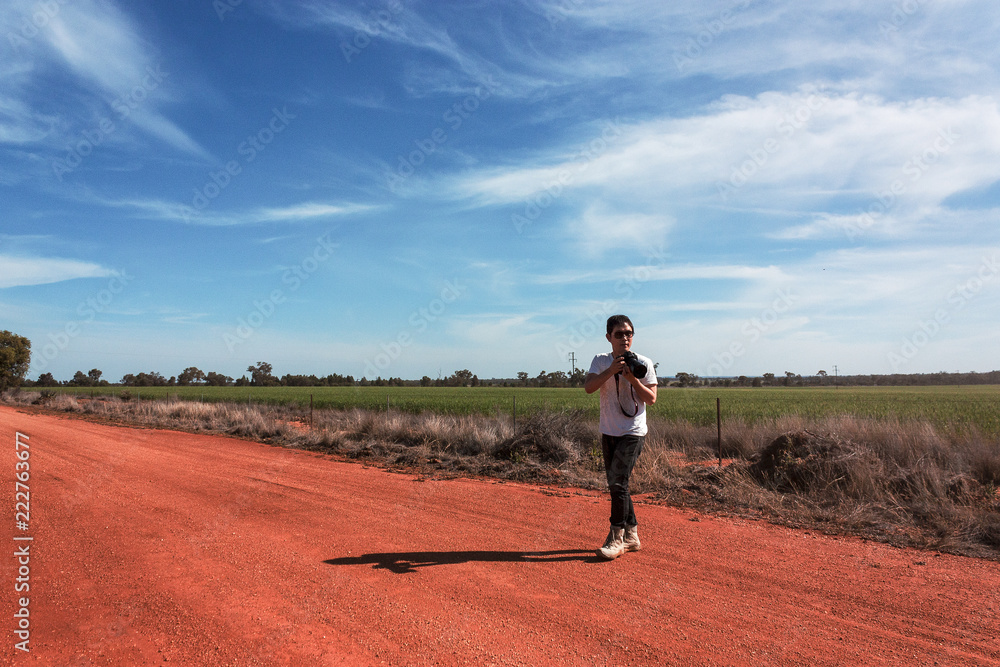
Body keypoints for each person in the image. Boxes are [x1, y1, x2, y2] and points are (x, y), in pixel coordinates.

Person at [584, 314, 657, 560]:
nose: (625, 338)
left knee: (617, 484)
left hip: (633, 431)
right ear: (608, 337)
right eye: (619, 334)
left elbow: (651, 398)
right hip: (609, 430)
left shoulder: (643, 362)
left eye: (628, 333)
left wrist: (632, 379)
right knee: (619, 485)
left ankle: (616, 538)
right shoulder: (600, 361)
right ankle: (632, 536)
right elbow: (589, 387)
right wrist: (611, 370)